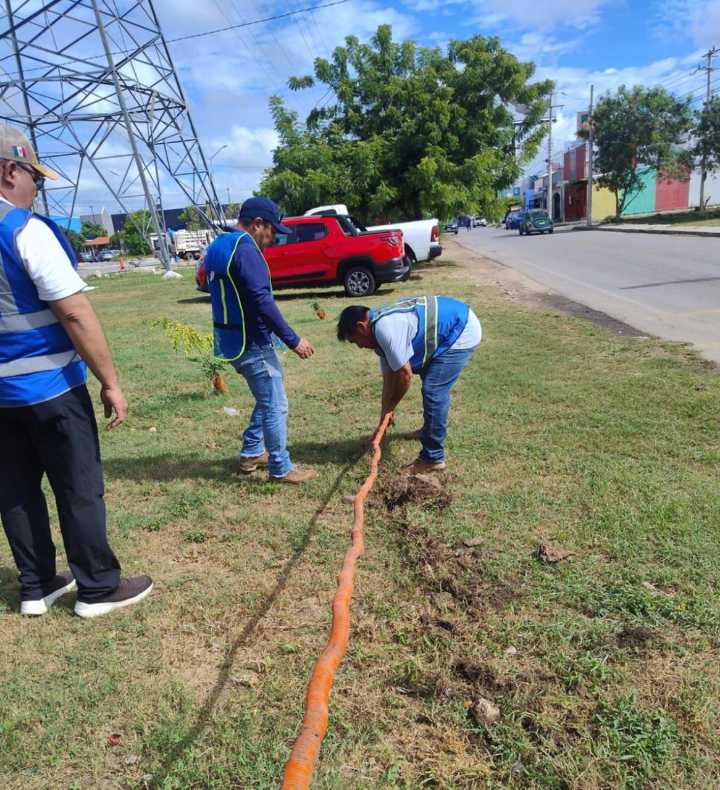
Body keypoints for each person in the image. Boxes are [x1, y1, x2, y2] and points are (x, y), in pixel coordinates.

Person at [0, 124, 153, 618]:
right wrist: (110, 381)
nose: (36, 188)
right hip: (51, 390)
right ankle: (97, 587)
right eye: (33, 177)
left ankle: (36, 586)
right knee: (77, 486)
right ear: (9, 171)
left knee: (17, 493)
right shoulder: (25, 230)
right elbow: (74, 313)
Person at [204, 197, 317, 484]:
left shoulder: (221, 244)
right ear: (257, 225)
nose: (273, 239)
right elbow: (261, 300)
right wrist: (293, 339)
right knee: (276, 404)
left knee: (267, 398)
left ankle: (253, 451)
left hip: (232, 339)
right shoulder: (246, 249)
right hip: (251, 342)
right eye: (272, 232)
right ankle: (281, 467)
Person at [337, 295, 481, 472]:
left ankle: (433, 458)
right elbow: (389, 379)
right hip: (451, 325)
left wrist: (392, 406)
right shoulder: (377, 335)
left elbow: (405, 375)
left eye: (354, 340)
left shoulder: (385, 329)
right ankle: (429, 430)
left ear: (361, 327)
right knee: (430, 383)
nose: (358, 346)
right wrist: (384, 416)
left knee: (433, 390)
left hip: (460, 329)